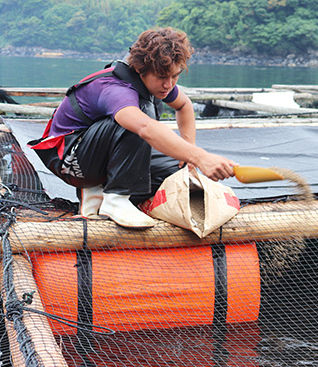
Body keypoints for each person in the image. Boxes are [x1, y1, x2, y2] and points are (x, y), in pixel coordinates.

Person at [29, 27, 236, 228]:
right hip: (71, 161)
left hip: (98, 155)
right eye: (162, 77)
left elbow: (184, 105)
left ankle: (100, 195)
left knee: (177, 167)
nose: (169, 85)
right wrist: (200, 157)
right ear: (140, 69)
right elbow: (145, 127)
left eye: (175, 76)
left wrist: (189, 155)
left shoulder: (161, 83)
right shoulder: (116, 89)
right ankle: (115, 199)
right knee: (139, 119)